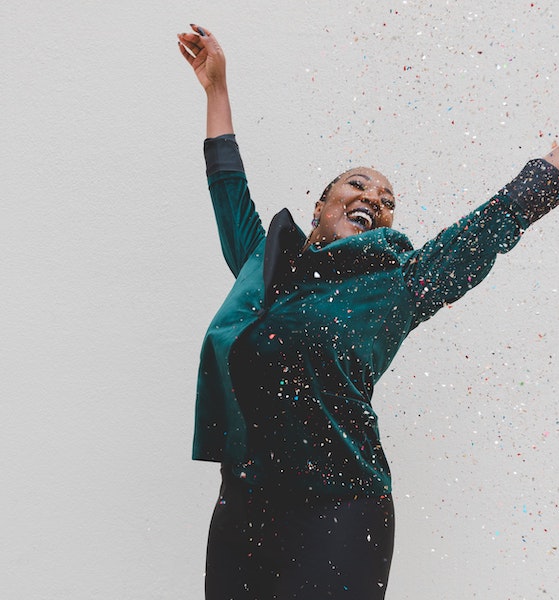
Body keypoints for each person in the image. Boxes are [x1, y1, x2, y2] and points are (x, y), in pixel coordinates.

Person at [178, 24, 559, 600]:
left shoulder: (395, 286)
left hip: (339, 513)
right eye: (358, 186)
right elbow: (228, 188)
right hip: (244, 508)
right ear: (320, 206)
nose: (373, 202)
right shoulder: (263, 271)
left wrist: (548, 176)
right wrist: (216, 89)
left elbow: (474, 240)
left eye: (386, 204)